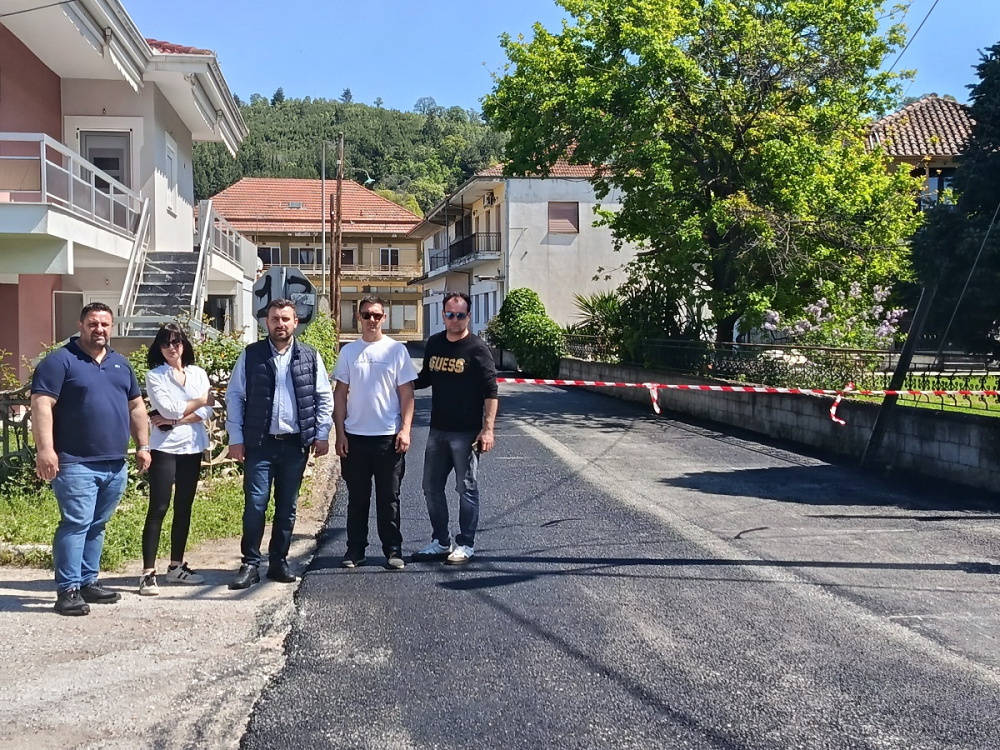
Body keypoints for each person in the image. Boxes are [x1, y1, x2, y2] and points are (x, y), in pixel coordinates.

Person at [30, 303, 151, 616]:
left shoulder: (121, 364)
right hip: (75, 462)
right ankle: (68, 589)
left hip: (114, 462)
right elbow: (41, 405)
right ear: (81, 325)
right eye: (93, 324)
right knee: (76, 523)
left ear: (112, 327)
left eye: (105, 324)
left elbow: (136, 407)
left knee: (97, 525)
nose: (99, 329)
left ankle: (87, 581)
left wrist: (143, 445)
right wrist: (45, 450)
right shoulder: (60, 361)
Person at [225, 299, 333, 589]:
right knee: (255, 504)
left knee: (287, 507)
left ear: (295, 322)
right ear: (266, 323)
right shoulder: (251, 355)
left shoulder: (310, 356)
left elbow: (323, 397)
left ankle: (278, 562)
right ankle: (250, 564)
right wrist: (236, 438)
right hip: (259, 444)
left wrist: (321, 434)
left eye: (286, 319)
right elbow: (234, 396)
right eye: (275, 319)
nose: (280, 324)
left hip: (295, 445)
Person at [412, 291, 498, 565]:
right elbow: (425, 378)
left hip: (466, 433)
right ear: (443, 315)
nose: (455, 319)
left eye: (460, 315)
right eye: (450, 314)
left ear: (468, 316)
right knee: (430, 487)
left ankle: (466, 544)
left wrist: (487, 429)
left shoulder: (477, 349)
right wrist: (397, 382)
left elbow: (491, 392)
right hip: (437, 430)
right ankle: (441, 541)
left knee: (466, 488)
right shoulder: (435, 343)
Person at [333, 295, 417, 570]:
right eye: (367, 315)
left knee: (389, 499)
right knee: (357, 499)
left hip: (388, 438)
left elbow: (407, 394)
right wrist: (340, 433)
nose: (372, 320)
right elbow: (340, 395)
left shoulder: (396, 351)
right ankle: (355, 550)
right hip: (355, 438)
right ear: (358, 317)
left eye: (377, 315)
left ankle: (393, 549)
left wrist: (405, 430)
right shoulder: (348, 352)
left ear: (384, 318)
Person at [138, 323, 215, 596]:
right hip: (165, 447)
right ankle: (148, 573)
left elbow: (208, 410)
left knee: (184, 507)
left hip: (192, 446)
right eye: (166, 343)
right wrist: (200, 401)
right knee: (159, 507)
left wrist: (175, 420)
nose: (172, 348)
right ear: (159, 348)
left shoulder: (198, 373)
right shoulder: (155, 376)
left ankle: (176, 566)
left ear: (184, 344)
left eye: (177, 342)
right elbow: (169, 407)